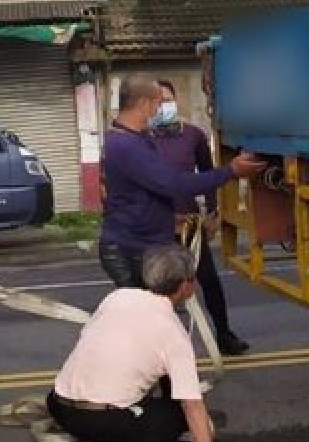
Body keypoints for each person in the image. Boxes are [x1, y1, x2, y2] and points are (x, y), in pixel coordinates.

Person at [47, 245, 254, 442]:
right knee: (177, 417)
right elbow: (192, 405)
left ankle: (102, 433)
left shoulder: (117, 297)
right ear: (185, 284)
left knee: (138, 396)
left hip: (58, 407)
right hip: (99, 420)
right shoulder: (173, 333)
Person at [99, 74, 264, 289]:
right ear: (143, 103)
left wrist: (171, 217)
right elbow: (175, 184)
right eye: (159, 103)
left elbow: (142, 194)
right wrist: (231, 171)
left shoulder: (134, 138)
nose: (160, 110)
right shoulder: (126, 145)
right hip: (132, 250)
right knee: (149, 314)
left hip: (142, 243)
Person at [151, 79, 249, 356]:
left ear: (176, 101)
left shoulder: (192, 135)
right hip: (157, 225)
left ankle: (224, 334)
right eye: (157, 101)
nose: (163, 106)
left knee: (207, 279)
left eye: (167, 100)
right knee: (158, 286)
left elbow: (208, 174)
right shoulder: (142, 140)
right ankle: (160, 346)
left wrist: (213, 211)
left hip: (190, 225)